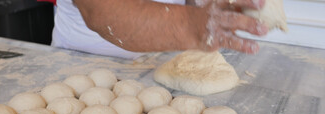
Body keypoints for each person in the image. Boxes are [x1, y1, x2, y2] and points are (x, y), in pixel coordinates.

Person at [51, 0, 268, 59]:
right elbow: (101, 10)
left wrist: (212, 7)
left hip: (161, 69)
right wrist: (194, 26)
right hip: (82, 64)